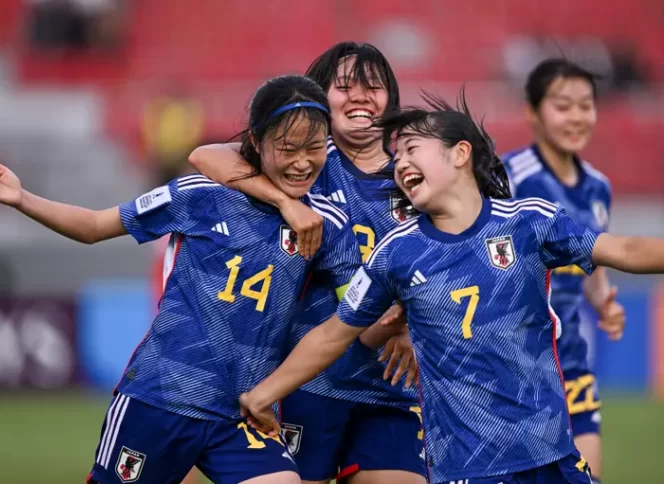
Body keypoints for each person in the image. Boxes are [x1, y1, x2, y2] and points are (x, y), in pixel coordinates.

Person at [238, 93, 664, 484]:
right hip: (468, 469)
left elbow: (623, 248)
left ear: (460, 153)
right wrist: (263, 394)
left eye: (412, 149)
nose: (400, 163)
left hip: (552, 457)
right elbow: (335, 333)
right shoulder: (397, 253)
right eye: (397, 153)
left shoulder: (528, 222)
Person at [0, 74, 364, 484]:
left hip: (241, 413)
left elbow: (351, 315)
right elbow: (94, 226)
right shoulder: (199, 195)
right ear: (255, 141)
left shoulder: (328, 225)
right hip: (161, 398)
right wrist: (21, 198)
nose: (303, 162)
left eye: (313, 148)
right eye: (288, 149)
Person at [189, 42, 426, 484]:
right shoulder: (306, 160)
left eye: (373, 86)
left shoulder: (414, 175)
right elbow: (206, 156)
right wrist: (286, 201)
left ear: (390, 99)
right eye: (344, 87)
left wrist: (412, 324)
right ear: (320, 98)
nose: (360, 96)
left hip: (389, 387)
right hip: (307, 383)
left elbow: (447, 254)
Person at [502, 58, 624, 484]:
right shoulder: (508, 178)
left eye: (585, 105)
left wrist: (604, 301)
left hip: (570, 359)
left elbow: (591, 265)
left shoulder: (598, 187)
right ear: (532, 113)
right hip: (513, 366)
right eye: (563, 105)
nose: (577, 116)